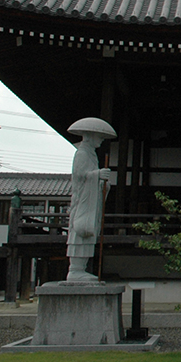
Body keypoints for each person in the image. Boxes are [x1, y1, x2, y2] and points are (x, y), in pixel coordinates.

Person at [65, 117, 115, 282]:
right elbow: (80, 177)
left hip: (90, 200)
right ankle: (75, 270)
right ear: (89, 135)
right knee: (80, 233)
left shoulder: (91, 154)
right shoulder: (81, 153)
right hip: (83, 202)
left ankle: (81, 268)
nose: (101, 140)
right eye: (99, 137)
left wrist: (103, 184)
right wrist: (97, 175)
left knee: (87, 234)